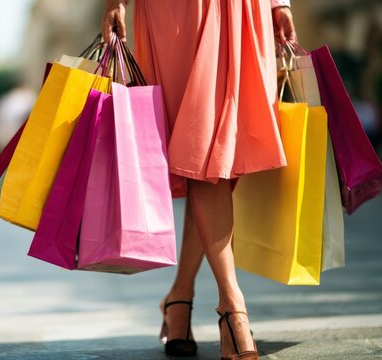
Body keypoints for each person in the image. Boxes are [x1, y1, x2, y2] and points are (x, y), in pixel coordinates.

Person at [101, 0, 297, 358]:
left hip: (243, 9)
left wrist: (279, 2)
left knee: (217, 160)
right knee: (203, 148)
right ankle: (232, 305)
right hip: (175, 12)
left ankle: (180, 297)